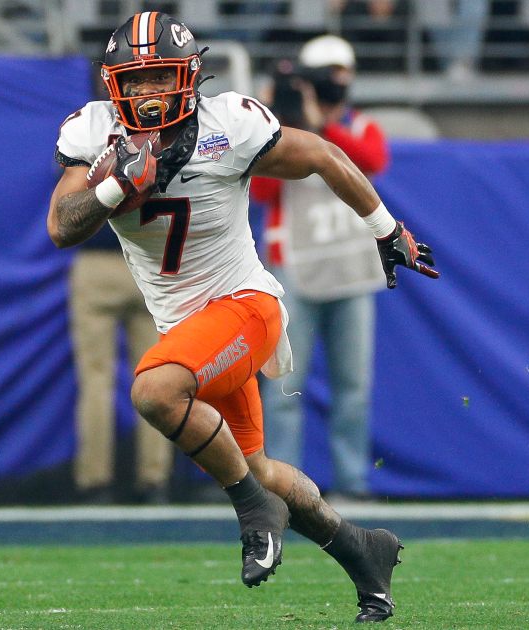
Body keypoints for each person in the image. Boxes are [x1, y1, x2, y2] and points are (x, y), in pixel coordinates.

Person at [48, 12, 438, 622]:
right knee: (256, 463)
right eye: (137, 80)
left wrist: (387, 231)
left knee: (154, 391)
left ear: (189, 76)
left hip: (245, 306)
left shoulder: (226, 124)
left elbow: (322, 154)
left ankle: (253, 511)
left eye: (160, 78)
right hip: (191, 329)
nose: (148, 93)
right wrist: (112, 188)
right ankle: (364, 552)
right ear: (112, 82)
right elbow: (61, 226)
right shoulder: (94, 133)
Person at [252, 34, 389, 504]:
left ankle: (351, 480)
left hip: (351, 268)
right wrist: (282, 126)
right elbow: (262, 193)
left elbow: (373, 161)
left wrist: (319, 128)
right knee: (287, 385)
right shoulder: (280, 135)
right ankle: (282, 485)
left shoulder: (362, 126)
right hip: (297, 269)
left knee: (353, 385)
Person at [69, 226, 173, 504]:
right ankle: (155, 480)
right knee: (156, 379)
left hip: (98, 261)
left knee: (96, 380)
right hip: (148, 261)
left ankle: (95, 482)